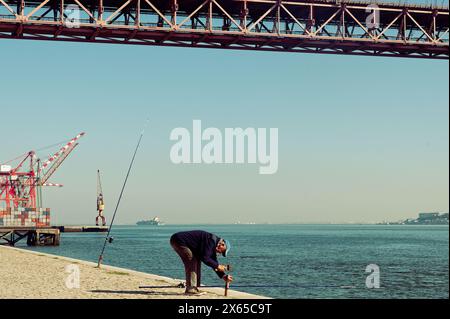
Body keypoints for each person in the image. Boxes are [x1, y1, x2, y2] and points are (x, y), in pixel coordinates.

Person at [170, 230, 233, 295]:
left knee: (197, 259)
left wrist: (223, 275)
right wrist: (218, 266)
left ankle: (195, 287)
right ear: (222, 245)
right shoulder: (211, 241)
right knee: (192, 261)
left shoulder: (213, 244)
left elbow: (213, 262)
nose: (220, 253)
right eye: (222, 252)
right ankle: (191, 289)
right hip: (179, 240)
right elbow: (205, 258)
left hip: (179, 240)